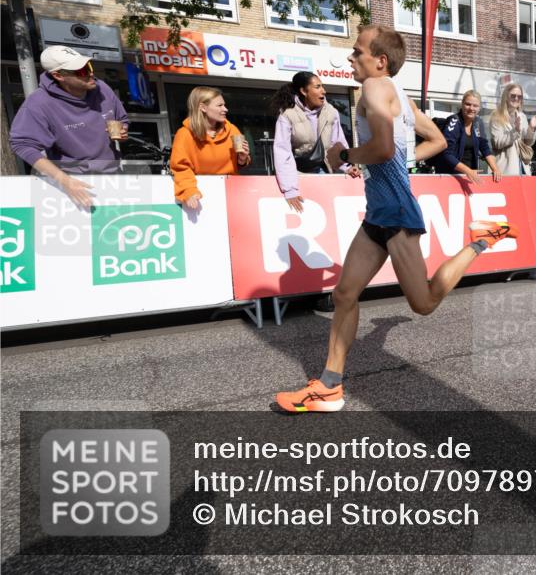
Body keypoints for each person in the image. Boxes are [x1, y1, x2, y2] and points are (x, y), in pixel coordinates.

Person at [275, 26, 517, 413]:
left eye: (357, 51)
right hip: (379, 213)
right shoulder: (399, 95)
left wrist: (345, 157)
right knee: (344, 294)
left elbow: (384, 148)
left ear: (379, 60)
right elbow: (435, 142)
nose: (350, 58)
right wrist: (389, 166)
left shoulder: (374, 88)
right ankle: (330, 386)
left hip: (399, 213)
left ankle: (481, 241)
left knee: (422, 303)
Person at [10, 46, 129, 208]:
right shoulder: (39, 103)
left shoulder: (102, 89)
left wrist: (123, 131)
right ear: (58, 75)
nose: (90, 73)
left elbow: (121, 119)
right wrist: (64, 181)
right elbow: (22, 144)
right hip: (72, 185)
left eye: (89, 66)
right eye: (81, 71)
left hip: (113, 178)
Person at [270, 71, 360, 213]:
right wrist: (290, 189)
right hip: (298, 174)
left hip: (323, 170)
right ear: (303, 91)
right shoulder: (287, 115)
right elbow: (282, 152)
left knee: (328, 211)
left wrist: (347, 167)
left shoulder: (331, 112)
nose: (323, 91)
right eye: (317, 87)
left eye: (322, 86)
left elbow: (338, 142)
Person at [169, 87, 250, 210]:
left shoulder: (232, 130)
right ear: (203, 107)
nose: (225, 109)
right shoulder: (185, 134)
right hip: (201, 196)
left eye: (224, 105)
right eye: (220, 105)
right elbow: (180, 168)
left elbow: (239, 164)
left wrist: (243, 159)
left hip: (232, 194)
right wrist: (189, 190)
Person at [429, 90, 502, 182]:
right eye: (468, 104)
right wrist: (468, 171)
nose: (471, 108)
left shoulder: (478, 122)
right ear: (462, 104)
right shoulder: (454, 121)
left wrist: (495, 169)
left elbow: (484, 147)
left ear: (479, 108)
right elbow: (446, 153)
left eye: (475, 106)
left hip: (469, 176)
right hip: (450, 177)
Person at [488, 82, 536, 175]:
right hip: (505, 170)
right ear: (506, 96)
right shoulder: (496, 116)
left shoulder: (522, 116)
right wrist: (515, 132)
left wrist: (531, 128)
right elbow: (497, 143)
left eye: (519, 96)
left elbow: (528, 142)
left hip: (523, 168)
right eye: (513, 96)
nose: (516, 98)